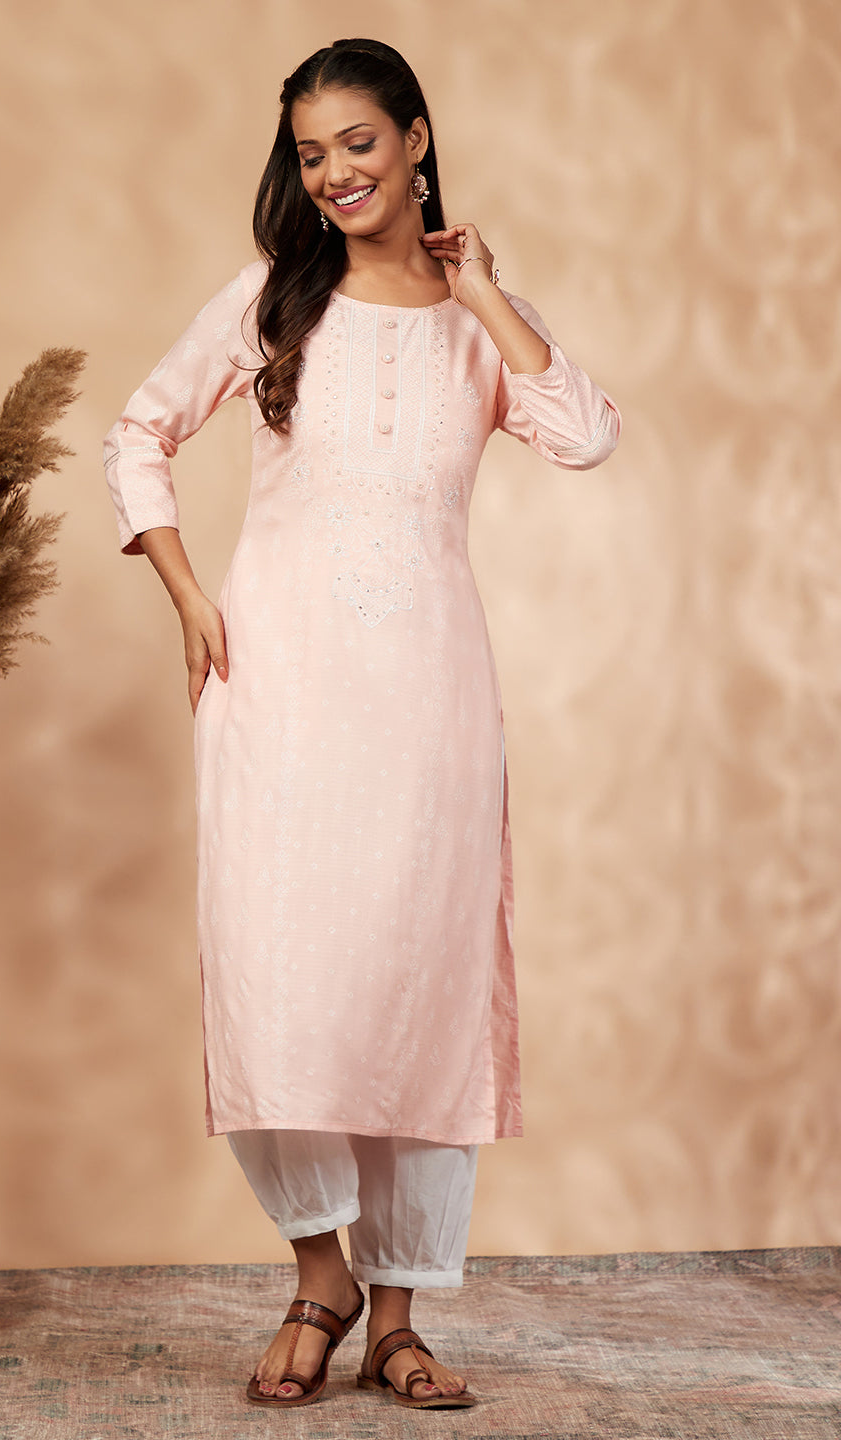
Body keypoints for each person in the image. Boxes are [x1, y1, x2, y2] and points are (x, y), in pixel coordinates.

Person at [104, 37, 620, 1410]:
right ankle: (317, 1272)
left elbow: (586, 434)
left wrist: (486, 291)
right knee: (280, 982)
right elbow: (137, 432)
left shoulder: (479, 325)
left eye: (358, 142)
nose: (335, 171)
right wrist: (187, 595)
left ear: (416, 139)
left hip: (431, 707)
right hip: (278, 695)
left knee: (420, 994)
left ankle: (396, 1317)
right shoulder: (274, 299)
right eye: (311, 151)